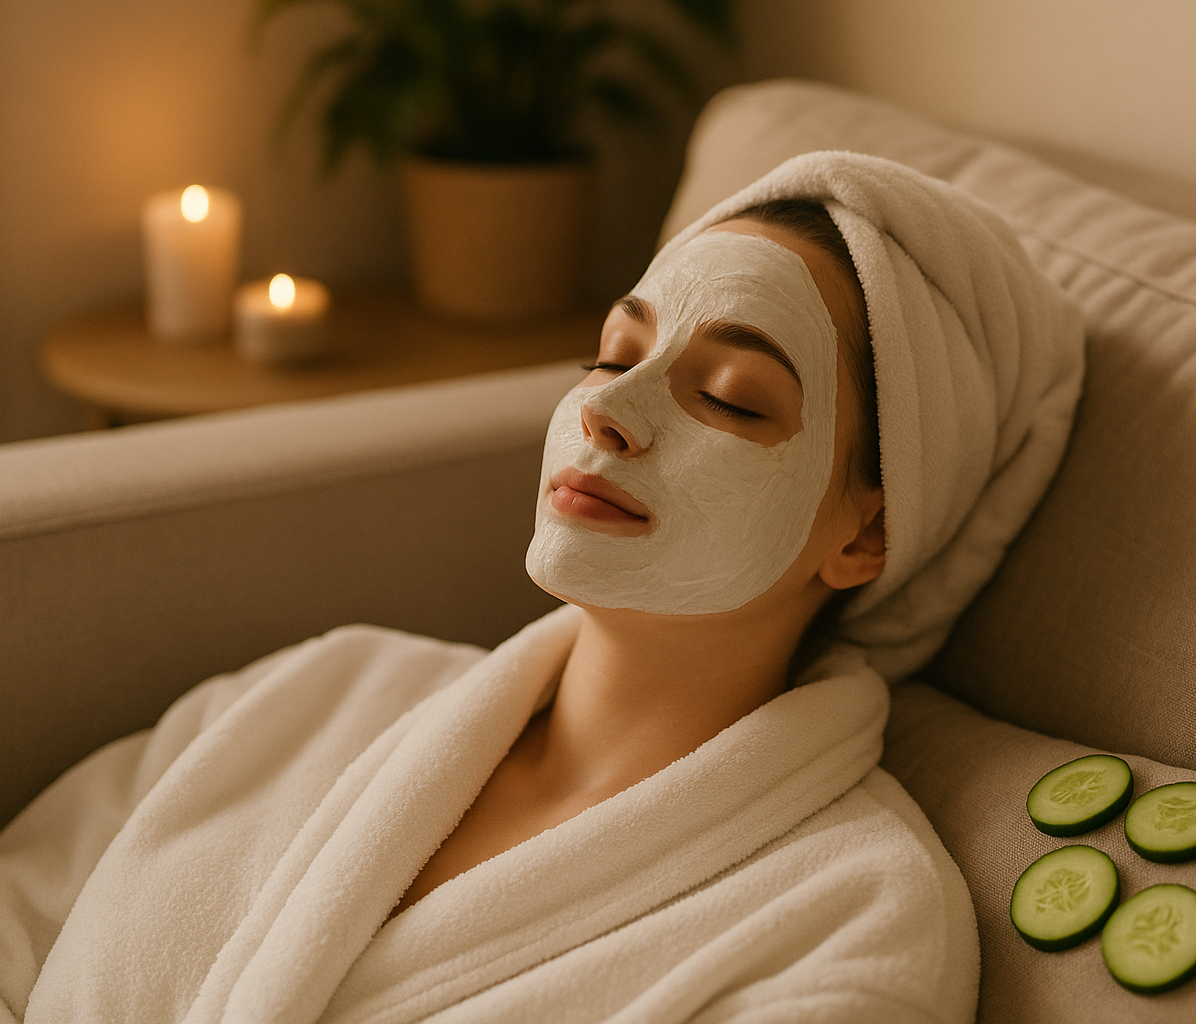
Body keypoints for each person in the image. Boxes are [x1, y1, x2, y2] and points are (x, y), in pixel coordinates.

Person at [0, 152, 1083, 1023]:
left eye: (731, 397)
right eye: (614, 356)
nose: (610, 411)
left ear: (869, 533)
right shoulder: (315, 689)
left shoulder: (849, 930)